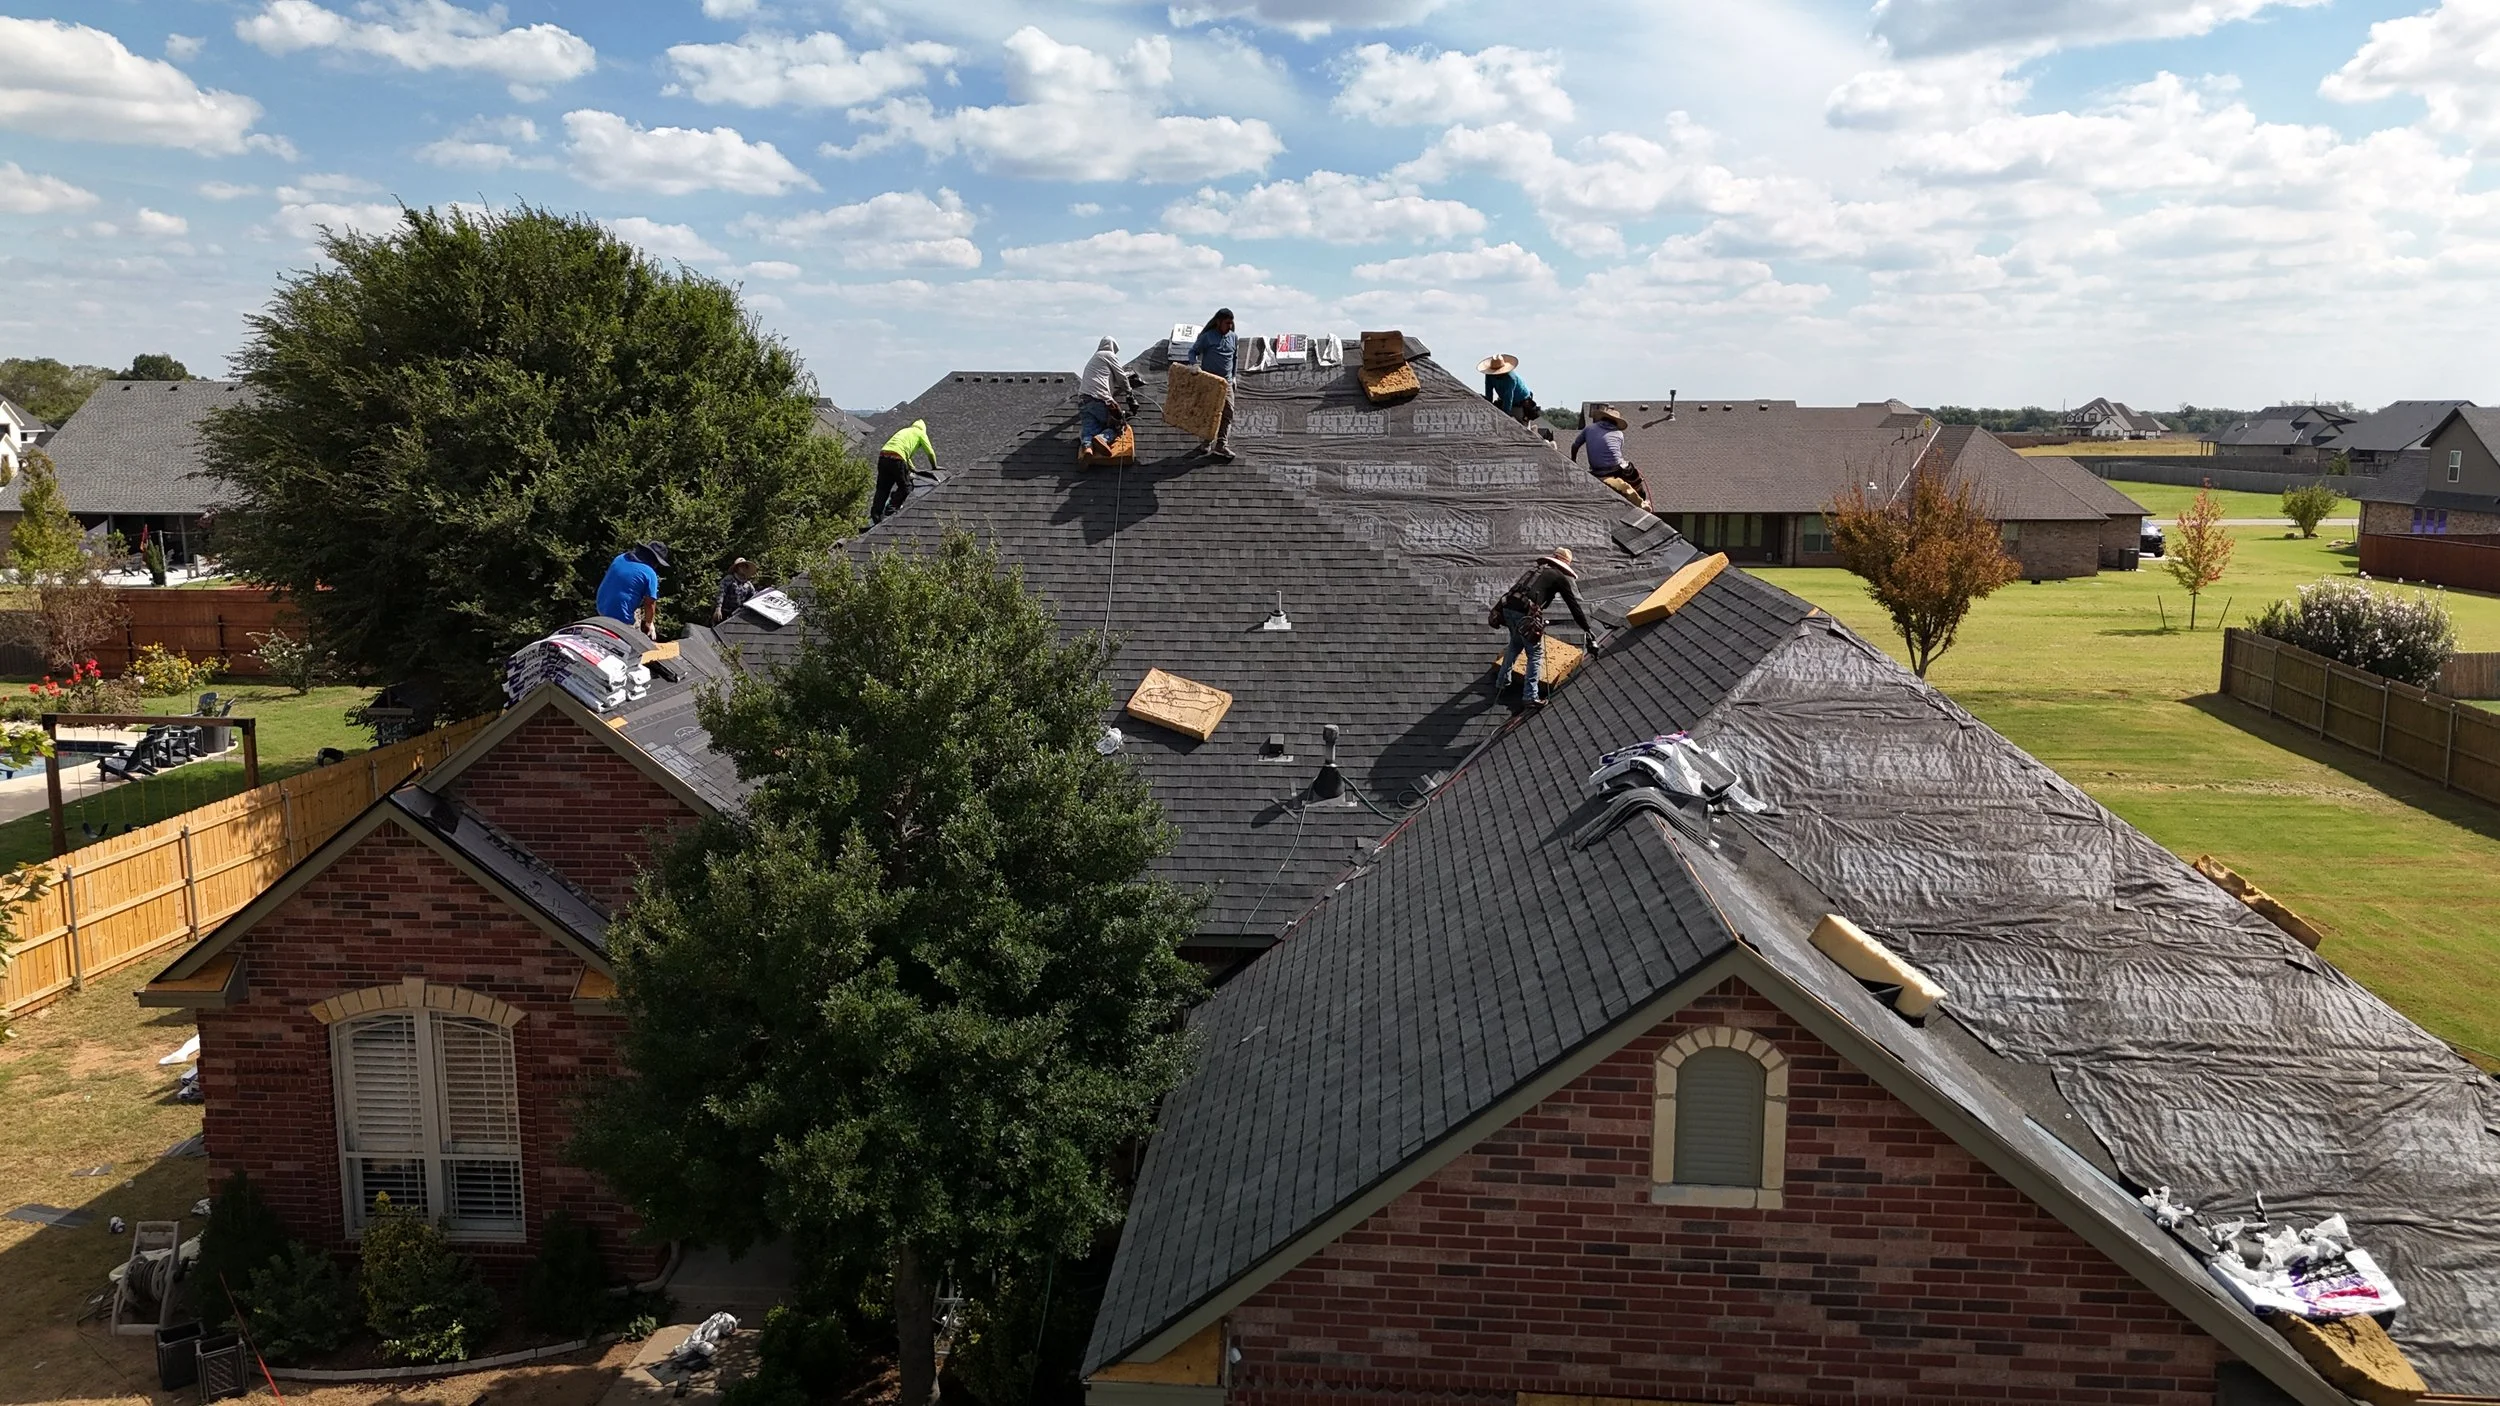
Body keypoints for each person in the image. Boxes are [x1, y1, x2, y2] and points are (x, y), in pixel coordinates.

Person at [1493, 547, 1594, 709]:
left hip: (1507, 609)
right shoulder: (1559, 577)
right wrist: (1587, 629)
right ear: (1564, 565)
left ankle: (1502, 682)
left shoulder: (1535, 570)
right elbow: (1573, 605)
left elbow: (1515, 592)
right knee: (1535, 653)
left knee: (1515, 644)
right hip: (1525, 615)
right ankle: (1530, 696)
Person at [1570, 404, 1652, 510]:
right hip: (1615, 468)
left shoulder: (1589, 428)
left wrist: (1573, 460)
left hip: (1597, 470)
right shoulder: (1618, 434)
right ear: (1615, 422)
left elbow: (1575, 445)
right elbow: (1617, 453)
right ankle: (1643, 500)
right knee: (1633, 474)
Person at [1185, 307, 1238, 461]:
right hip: (1211, 382)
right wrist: (1194, 364)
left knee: (1228, 413)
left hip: (1226, 383)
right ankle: (1207, 441)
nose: (1229, 326)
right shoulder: (1208, 337)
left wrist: (1234, 377)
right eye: (1227, 323)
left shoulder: (1233, 337)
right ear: (1218, 322)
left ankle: (1221, 444)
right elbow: (1192, 351)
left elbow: (1234, 358)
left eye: (1231, 323)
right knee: (1210, 412)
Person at [596, 540, 669, 637]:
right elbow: (650, 603)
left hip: (601, 607)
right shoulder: (650, 574)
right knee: (637, 641)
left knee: (636, 610)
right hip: (621, 617)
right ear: (655, 561)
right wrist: (649, 623)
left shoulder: (621, 558)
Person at [1079, 336, 1137, 456]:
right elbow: (1121, 377)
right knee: (1118, 425)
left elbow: (1107, 378)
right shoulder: (1109, 355)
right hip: (1099, 399)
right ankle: (1102, 439)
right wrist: (1129, 394)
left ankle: (1087, 447)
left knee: (1090, 429)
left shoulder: (1095, 359)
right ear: (1112, 347)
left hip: (1083, 400)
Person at [874, 419, 939, 522]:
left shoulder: (905, 431)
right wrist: (934, 466)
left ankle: (876, 515)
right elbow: (930, 453)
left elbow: (904, 453)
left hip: (883, 456)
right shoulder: (920, 433)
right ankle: (891, 510)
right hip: (897, 458)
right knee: (906, 486)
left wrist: (912, 468)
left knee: (883, 488)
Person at [1479, 354, 1536, 423]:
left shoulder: (1510, 378)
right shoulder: (1489, 376)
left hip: (1521, 401)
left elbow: (1508, 398)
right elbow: (1489, 392)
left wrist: (1505, 416)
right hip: (1505, 399)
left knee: (1516, 425)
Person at [713, 557, 759, 624]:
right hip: (724, 612)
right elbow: (721, 593)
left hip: (737, 615)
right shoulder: (729, 579)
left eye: (745, 566)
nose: (743, 568)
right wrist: (718, 608)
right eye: (741, 566)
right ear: (737, 568)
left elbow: (753, 597)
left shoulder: (748, 585)